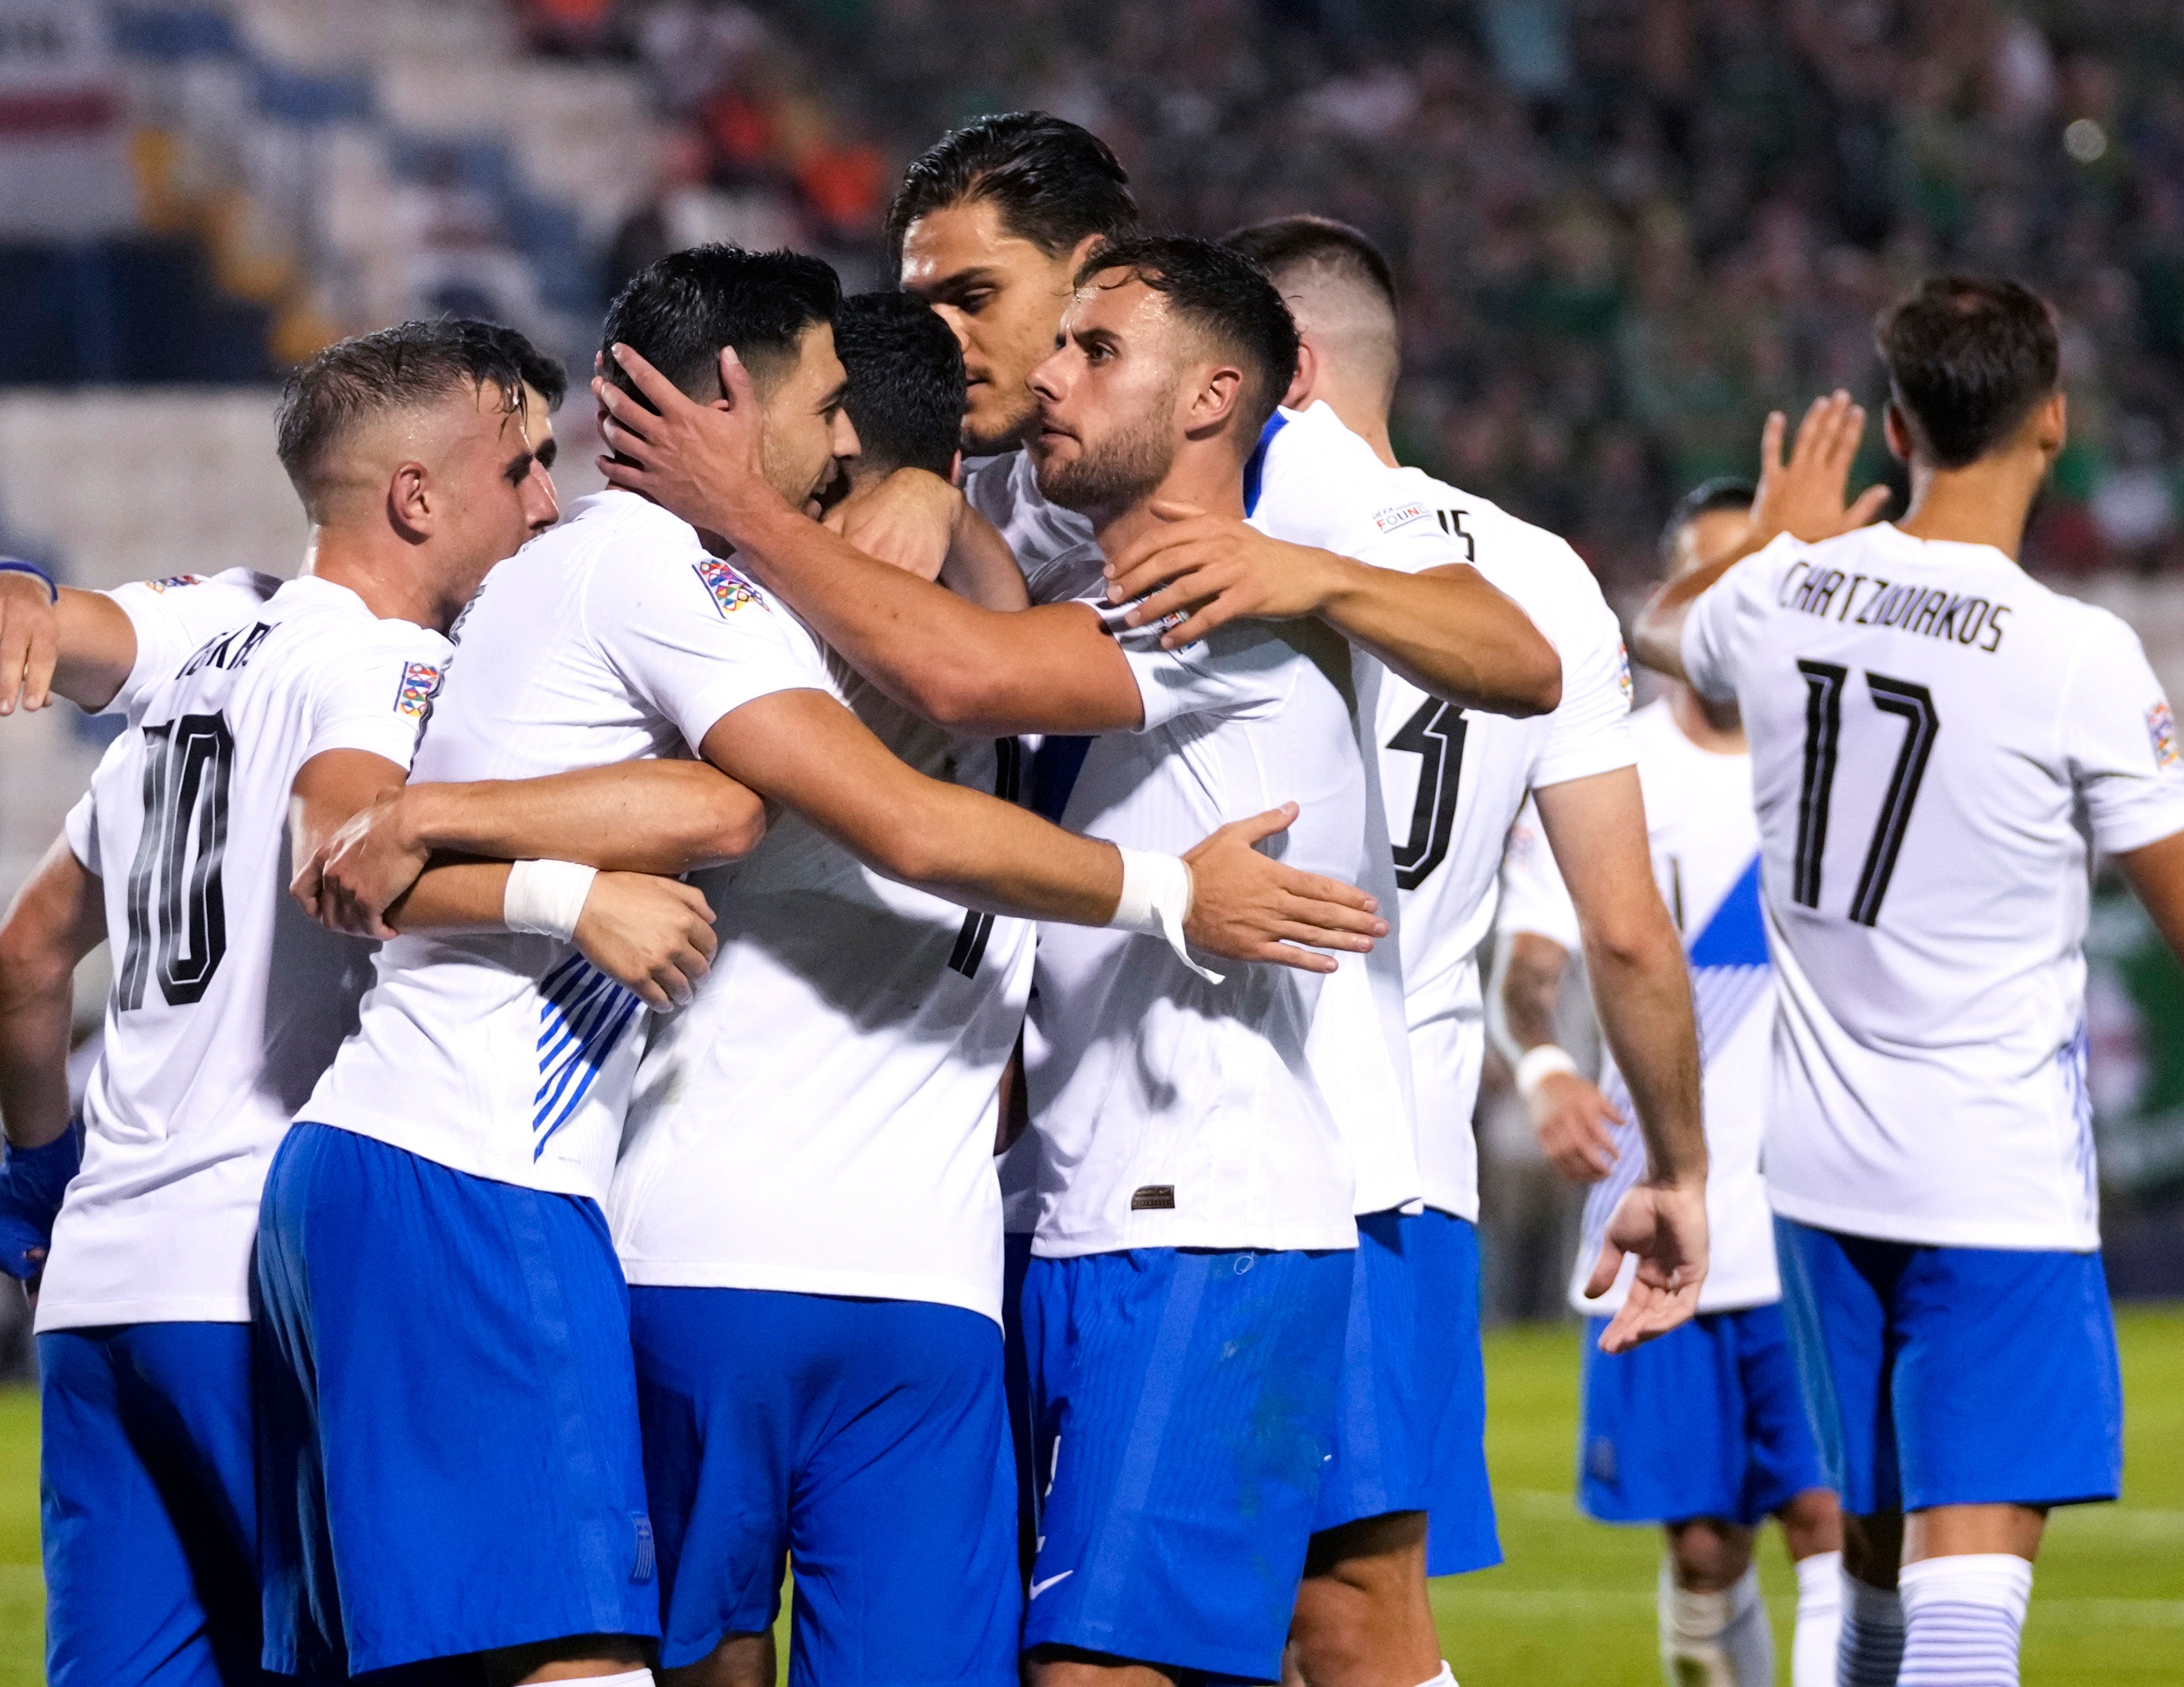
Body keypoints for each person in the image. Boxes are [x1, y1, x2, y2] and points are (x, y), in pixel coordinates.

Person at [283, 244, 1384, 1687]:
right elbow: (902, 802)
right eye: (825, 405)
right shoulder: (689, 585)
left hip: (828, 1271)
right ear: (746, 394)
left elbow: (863, 723)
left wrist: (452, 824)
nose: (844, 440)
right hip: (646, 1229)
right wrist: (1179, 888)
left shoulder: (950, 608)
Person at [597, 234, 1642, 1687]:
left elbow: (1517, 652)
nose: (1046, 374)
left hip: (1204, 1215)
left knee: (1134, 1667)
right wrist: (911, 485)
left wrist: (746, 517)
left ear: (1218, 396)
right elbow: (981, 618)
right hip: (1084, 1211)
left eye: (1092, 350)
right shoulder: (1090, 566)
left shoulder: (1227, 580)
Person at [1634, 276, 2184, 1687]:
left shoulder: (1784, 596)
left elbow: (1656, 629)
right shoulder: (2075, 655)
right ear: (2054, 420)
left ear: (1892, 425)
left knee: (1869, 1576)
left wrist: (1769, 538)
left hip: (1813, 1180)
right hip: (1988, 1184)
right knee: (1970, 1600)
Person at [0, 319, 757, 1687]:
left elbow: (28, 957)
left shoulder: (199, 658)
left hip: (100, 1296)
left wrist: (39, 1184)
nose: (547, 506)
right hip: (259, 1268)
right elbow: (347, 846)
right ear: (415, 498)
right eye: (522, 470)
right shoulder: (390, 670)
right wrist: (573, 895)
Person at [1222, 214, 1708, 1687]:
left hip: (1253, 1150)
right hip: (1413, 1165)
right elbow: (1625, 926)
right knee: (1340, 1622)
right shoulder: (1544, 574)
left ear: (1278, 367)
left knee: (1314, 1624)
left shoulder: (1222, 536)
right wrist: (1677, 1171)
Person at [1495, 478, 1844, 1687]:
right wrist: (1542, 1068)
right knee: (1702, 1545)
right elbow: (1525, 965)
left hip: (1816, 1206)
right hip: (1659, 1215)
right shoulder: (1612, 768)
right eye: (1712, 580)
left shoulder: (1841, 770)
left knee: (1831, 1521)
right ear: (1669, 600)